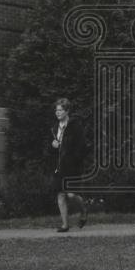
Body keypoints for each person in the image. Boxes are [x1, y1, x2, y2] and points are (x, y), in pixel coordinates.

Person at [50, 98, 88, 233]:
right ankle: (65, 225)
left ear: (67, 111)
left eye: (60, 110)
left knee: (71, 195)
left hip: (72, 166)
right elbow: (54, 147)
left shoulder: (75, 126)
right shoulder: (54, 128)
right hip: (59, 166)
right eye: (56, 110)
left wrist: (74, 159)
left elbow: (82, 146)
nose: (57, 112)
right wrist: (53, 146)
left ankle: (84, 211)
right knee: (60, 194)